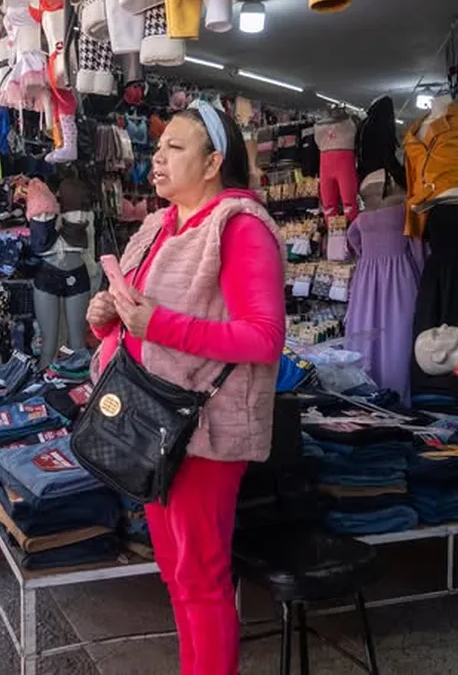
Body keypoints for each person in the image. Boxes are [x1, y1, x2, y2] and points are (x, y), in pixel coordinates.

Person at [86, 102, 287, 675]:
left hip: (203, 431)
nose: (157, 159)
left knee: (200, 581)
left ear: (213, 161)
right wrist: (107, 316)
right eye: (158, 148)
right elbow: (135, 319)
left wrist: (159, 324)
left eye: (175, 148)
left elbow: (265, 338)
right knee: (178, 576)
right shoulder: (156, 225)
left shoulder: (239, 227)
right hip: (149, 421)